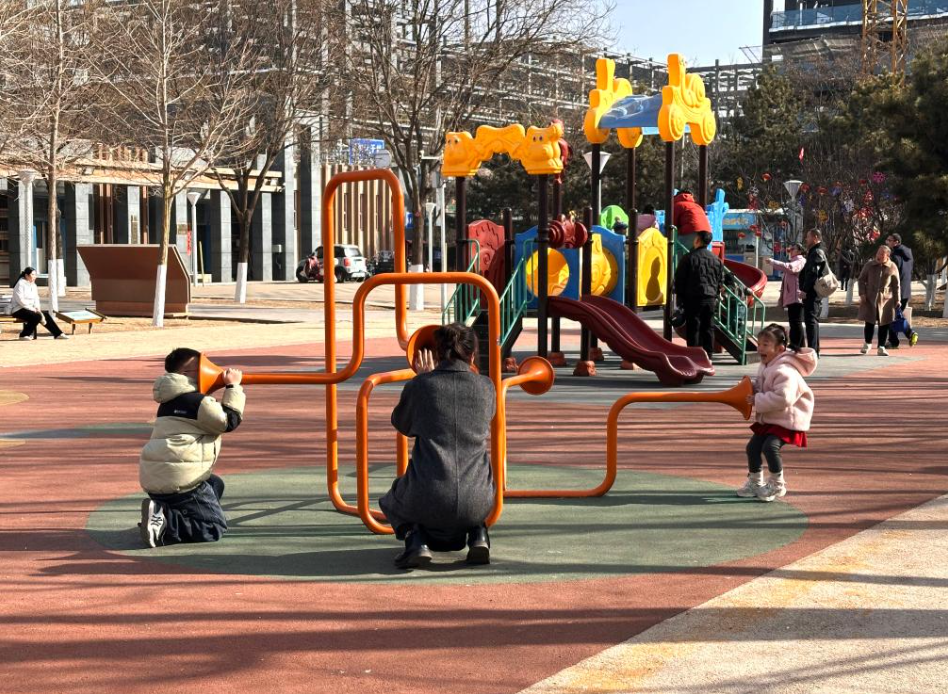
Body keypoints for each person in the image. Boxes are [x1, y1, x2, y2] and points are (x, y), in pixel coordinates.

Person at [380, 323, 496, 569]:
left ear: (436, 354)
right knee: (475, 485)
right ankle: (478, 534)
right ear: (473, 355)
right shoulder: (487, 387)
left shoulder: (422, 386)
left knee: (393, 498)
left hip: (427, 495)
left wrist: (422, 381)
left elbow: (402, 424)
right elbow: (485, 418)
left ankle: (416, 540)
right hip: (479, 499)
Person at [138, 347, 246, 548]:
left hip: (159, 477)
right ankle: (168, 522)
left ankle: (162, 512)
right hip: (182, 480)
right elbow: (228, 422)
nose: (205, 372)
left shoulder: (168, 401)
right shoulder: (198, 402)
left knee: (215, 484)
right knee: (212, 529)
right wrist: (233, 388)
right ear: (182, 375)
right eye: (198, 370)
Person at [737, 324, 816, 503]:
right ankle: (755, 482)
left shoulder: (785, 371)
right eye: (759, 344)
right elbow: (763, 386)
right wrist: (750, 388)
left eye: (765, 345)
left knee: (770, 447)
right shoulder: (767, 365)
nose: (760, 348)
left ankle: (777, 484)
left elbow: (784, 398)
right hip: (773, 417)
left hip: (789, 417)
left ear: (780, 349)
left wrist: (757, 400)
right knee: (753, 448)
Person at [673, 230, 724, 358]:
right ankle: (708, 355)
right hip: (710, 297)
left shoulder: (688, 258)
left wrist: (680, 298)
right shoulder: (716, 260)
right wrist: (716, 293)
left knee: (693, 327)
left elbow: (679, 279)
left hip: (692, 297)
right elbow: (720, 280)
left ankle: (693, 354)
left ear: (697, 240)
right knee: (708, 326)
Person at [857, 244, 900, 357]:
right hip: (870, 297)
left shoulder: (892, 267)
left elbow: (896, 286)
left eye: (882, 254)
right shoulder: (870, 265)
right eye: (878, 253)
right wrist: (862, 293)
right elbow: (861, 279)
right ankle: (867, 343)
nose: (879, 255)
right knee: (869, 322)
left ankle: (881, 347)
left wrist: (897, 300)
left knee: (884, 323)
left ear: (887, 255)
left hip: (886, 299)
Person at [9, 267, 67, 340]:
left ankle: (58, 334)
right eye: (32, 274)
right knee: (37, 316)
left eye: (35, 275)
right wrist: (32, 309)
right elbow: (20, 300)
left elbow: (36, 298)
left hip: (30, 309)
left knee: (45, 314)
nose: (34, 276)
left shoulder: (33, 285)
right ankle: (24, 335)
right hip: (18, 309)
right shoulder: (20, 284)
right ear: (26, 275)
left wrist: (37, 307)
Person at [885, 233, 919, 348]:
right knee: (896, 316)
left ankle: (897, 340)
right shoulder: (908, 254)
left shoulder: (895, 256)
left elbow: (893, 274)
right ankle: (907, 335)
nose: (887, 242)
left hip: (896, 291)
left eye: (889, 240)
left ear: (896, 242)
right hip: (905, 291)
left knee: (890, 317)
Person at [770, 243, 807, 351]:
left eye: (793, 249)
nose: (790, 250)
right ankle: (799, 344)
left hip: (796, 296)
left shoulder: (800, 261)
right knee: (794, 321)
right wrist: (781, 298)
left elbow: (790, 268)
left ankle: (796, 344)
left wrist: (773, 262)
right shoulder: (793, 261)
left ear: (799, 251)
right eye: (789, 248)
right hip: (792, 296)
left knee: (796, 322)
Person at [798, 229, 828, 355]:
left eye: (808, 237)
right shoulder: (815, 251)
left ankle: (813, 350)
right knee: (812, 320)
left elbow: (812, 273)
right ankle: (814, 349)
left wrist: (805, 290)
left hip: (812, 292)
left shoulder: (816, 252)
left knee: (811, 321)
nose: (806, 239)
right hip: (812, 291)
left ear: (815, 238)